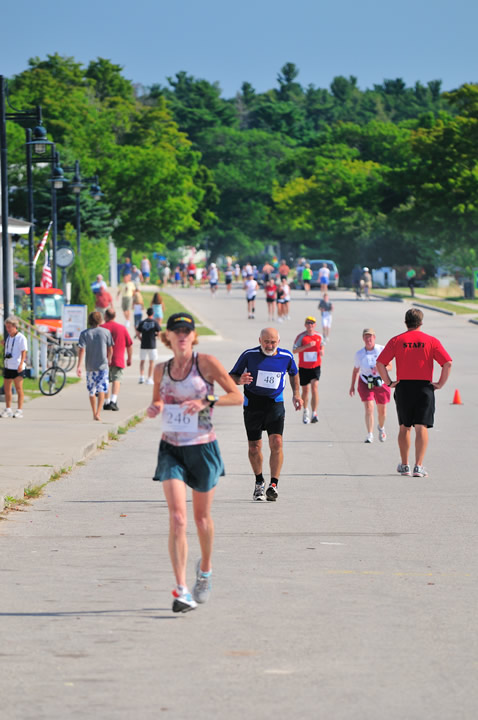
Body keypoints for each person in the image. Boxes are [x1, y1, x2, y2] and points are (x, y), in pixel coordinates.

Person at [147, 312, 242, 613]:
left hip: (202, 447)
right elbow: (159, 400)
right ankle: (181, 590)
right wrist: (155, 406)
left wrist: (206, 401)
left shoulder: (207, 363)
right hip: (172, 448)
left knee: (201, 519)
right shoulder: (161, 370)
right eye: (177, 331)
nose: (183, 335)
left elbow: (236, 396)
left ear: (193, 335)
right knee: (177, 518)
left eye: (187, 330)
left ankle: (206, 570)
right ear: (169, 337)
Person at [376, 308, 452, 477]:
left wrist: (389, 382)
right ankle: (418, 466)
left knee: (404, 427)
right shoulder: (431, 341)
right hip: (424, 387)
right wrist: (439, 383)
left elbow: (380, 363)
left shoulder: (397, 340)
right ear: (421, 323)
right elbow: (447, 363)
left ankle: (404, 465)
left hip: (404, 387)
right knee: (421, 426)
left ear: (406, 322)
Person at [230, 327, 302, 501]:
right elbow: (231, 376)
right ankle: (259, 482)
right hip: (253, 404)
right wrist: (239, 380)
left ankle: (274, 485)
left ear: (278, 341)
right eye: (266, 342)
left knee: (276, 441)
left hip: (274, 404)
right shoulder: (249, 355)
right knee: (254, 447)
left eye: (273, 342)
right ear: (260, 340)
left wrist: (296, 394)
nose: (269, 345)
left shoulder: (286, 356)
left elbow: (294, 373)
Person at [349, 328, 392, 443]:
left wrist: (380, 368)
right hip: (365, 382)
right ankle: (370, 434)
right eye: (366, 337)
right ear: (363, 339)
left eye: (371, 337)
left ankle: (381, 428)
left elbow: (390, 366)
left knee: (382, 410)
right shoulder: (359, 354)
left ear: (374, 338)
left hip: (380, 382)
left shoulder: (381, 350)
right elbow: (355, 371)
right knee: (369, 408)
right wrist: (352, 386)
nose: (369, 339)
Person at [77, 311, 114, 421]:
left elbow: (81, 349)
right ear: (100, 320)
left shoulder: (85, 333)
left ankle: (94, 412)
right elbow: (110, 348)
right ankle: (98, 412)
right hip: (103, 365)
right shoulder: (106, 332)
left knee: (92, 390)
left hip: (90, 366)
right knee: (102, 389)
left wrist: (79, 365)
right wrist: (109, 358)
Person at [292, 316, 323, 424]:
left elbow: (322, 345)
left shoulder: (319, 336)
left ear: (315, 325)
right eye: (308, 323)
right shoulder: (301, 337)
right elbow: (294, 350)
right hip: (304, 367)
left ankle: (314, 413)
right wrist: (306, 346)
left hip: (315, 366)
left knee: (314, 388)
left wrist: (322, 351)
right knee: (305, 390)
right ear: (305, 325)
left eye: (312, 323)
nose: (310, 325)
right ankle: (306, 411)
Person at [102, 309, 133, 411]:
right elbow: (129, 344)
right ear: (114, 316)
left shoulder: (101, 328)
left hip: (104, 358)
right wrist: (129, 358)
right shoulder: (122, 328)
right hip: (118, 358)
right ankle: (113, 401)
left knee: (105, 380)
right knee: (116, 379)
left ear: (106, 316)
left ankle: (106, 402)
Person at [1, 316, 27, 419]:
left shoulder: (21, 337)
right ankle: (8, 409)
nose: (8, 329)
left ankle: (19, 410)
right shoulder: (8, 337)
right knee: (7, 389)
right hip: (8, 366)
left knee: (19, 389)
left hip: (17, 366)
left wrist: (21, 364)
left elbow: (23, 352)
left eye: (9, 327)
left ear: (15, 326)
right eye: (6, 327)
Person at [137, 308, 161, 385]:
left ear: (147, 313)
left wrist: (140, 338)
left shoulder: (142, 322)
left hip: (143, 344)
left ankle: (141, 376)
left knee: (142, 361)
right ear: (153, 314)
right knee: (151, 362)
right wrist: (157, 336)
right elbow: (159, 332)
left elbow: (137, 332)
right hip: (152, 345)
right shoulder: (155, 322)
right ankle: (149, 378)